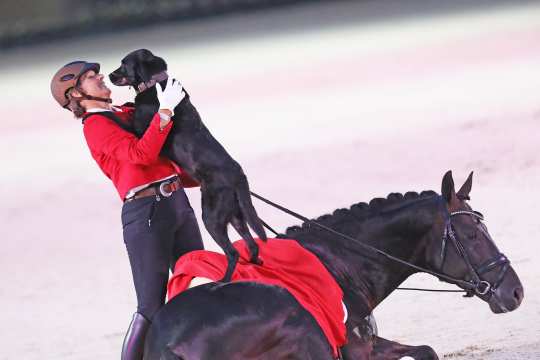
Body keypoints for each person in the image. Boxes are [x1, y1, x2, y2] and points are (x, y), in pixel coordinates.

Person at [50, 61, 204, 360]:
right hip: (147, 214)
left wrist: (205, 176)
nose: (101, 78)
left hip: (176, 203)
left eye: (97, 74)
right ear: (76, 95)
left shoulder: (124, 113)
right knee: (150, 304)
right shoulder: (95, 127)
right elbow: (140, 154)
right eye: (92, 78)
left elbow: (164, 150)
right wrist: (165, 112)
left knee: (196, 285)